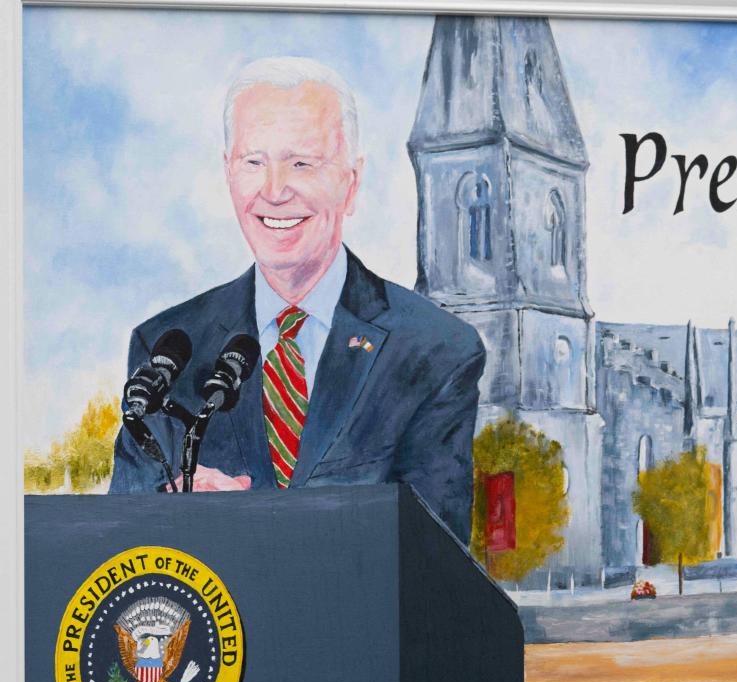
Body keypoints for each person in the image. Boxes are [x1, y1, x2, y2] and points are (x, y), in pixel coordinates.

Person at [109, 57, 485, 544]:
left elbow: (433, 559)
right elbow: (123, 549)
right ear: (228, 174)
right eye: (253, 163)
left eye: (302, 163)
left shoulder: (435, 352)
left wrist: (243, 521)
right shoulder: (166, 351)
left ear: (351, 182)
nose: (274, 190)